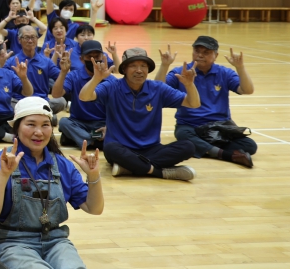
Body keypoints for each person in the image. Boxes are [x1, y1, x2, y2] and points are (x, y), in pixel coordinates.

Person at [0, 97, 166, 269]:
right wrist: (4, 175)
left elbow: (93, 208)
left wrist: (93, 175)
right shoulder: (1, 161)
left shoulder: (61, 164)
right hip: (12, 242)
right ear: (16, 127)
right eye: (30, 124)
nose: (39, 131)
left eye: (45, 125)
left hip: (55, 239)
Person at [79, 48, 201, 180]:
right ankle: (159, 172)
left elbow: (193, 103)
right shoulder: (112, 86)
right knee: (110, 148)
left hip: (152, 149)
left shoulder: (158, 88)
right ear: (124, 69)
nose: (139, 70)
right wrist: (96, 79)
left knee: (188, 146)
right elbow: (84, 97)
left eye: (143, 66)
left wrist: (189, 85)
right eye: (133, 65)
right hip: (122, 148)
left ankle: (131, 168)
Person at [157, 35, 257, 168]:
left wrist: (240, 67)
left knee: (250, 145)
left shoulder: (224, 72)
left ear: (216, 55)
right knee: (183, 135)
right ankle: (226, 154)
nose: (200, 55)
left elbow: (247, 90)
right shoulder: (181, 72)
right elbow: (158, 90)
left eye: (206, 52)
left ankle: (207, 148)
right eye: (197, 51)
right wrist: (164, 65)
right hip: (190, 125)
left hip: (220, 125)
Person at [54, 40, 112, 152]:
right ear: (81, 59)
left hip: (102, 124)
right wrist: (63, 72)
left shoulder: (110, 79)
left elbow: (118, 109)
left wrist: (109, 127)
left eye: (97, 56)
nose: (94, 60)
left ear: (103, 56)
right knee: (64, 123)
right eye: (90, 56)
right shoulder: (74, 76)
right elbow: (56, 94)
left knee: (118, 129)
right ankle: (94, 142)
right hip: (79, 122)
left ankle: (78, 139)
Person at [4, 26, 66, 115]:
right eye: (26, 37)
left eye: (33, 37)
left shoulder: (46, 61)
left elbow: (61, 78)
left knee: (61, 101)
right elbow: (3, 83)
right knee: (8, 104)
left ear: (37, 39)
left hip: (41, 101)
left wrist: (64, 70)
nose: (30, 41)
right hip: (20, 101)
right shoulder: (11, 62)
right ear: (19, 40)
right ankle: (44, 115)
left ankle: (31, 115)